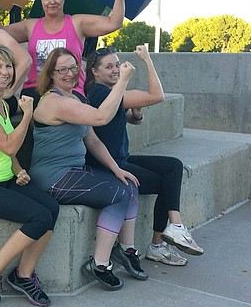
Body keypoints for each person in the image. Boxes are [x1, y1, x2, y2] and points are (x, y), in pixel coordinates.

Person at [29, 47, 145, 291]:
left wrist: (116, 169)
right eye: (63, 69)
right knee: (118, 194)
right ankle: (100, 264)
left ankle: (127, 250)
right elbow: (102, 117)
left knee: (129, 186)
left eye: (74, 67)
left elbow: (92, 140)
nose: (70, 73)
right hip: (52, 177)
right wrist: (122, 80)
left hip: (74, 172)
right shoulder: (54, 101)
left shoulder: (75, 99)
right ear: (51, 74)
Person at [84, 45, 204, 266]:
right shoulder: (100, 93)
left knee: (173, 166)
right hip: (107, 167)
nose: (115, 70)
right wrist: (147, 59)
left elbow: (132, 119)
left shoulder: (111, 92)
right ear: (94, 71)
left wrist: (136, 112)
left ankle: (173, 229)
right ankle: (160, 243)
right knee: (166, 181)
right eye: (108, 66)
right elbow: (157, 96)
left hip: (121, 159)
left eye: (117, 65)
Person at [0, 44, 58, 307]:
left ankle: (23, 274)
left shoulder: (3, 104)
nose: (5, 72)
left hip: (6, 180)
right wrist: (27, 115)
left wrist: (18, 170)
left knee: (52, 207)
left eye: (8, 66)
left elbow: (5, 151)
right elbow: (8, 145)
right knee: (39, 217)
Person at [2, 0, 125, 102]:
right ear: (41, 1)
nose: (52, 1)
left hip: (71, 89)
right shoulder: (30, 26)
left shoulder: (77, 23)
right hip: (36, 89)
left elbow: (114, 23)